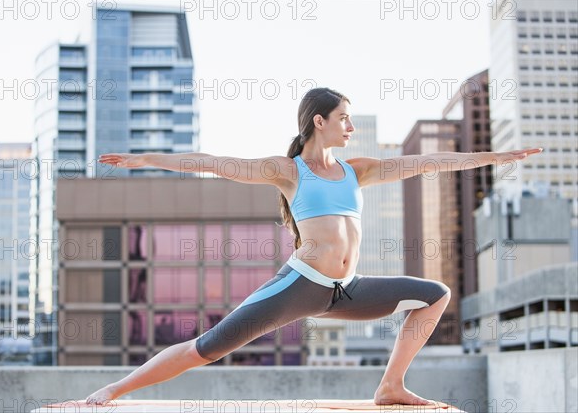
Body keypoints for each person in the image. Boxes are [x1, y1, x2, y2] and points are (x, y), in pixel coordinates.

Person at [86, 87, 542, 406]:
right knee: (206, 348)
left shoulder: (355, 170)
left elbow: (423, 162)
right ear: (318, 121)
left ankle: (390, 386)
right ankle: (113, 390)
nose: (349, 126)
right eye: (343, 117)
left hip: (348, 289)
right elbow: (216, 164)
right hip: (300, 285)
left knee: (435, 294)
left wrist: (491, 157)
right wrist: (148, 159)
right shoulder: (288, 171)